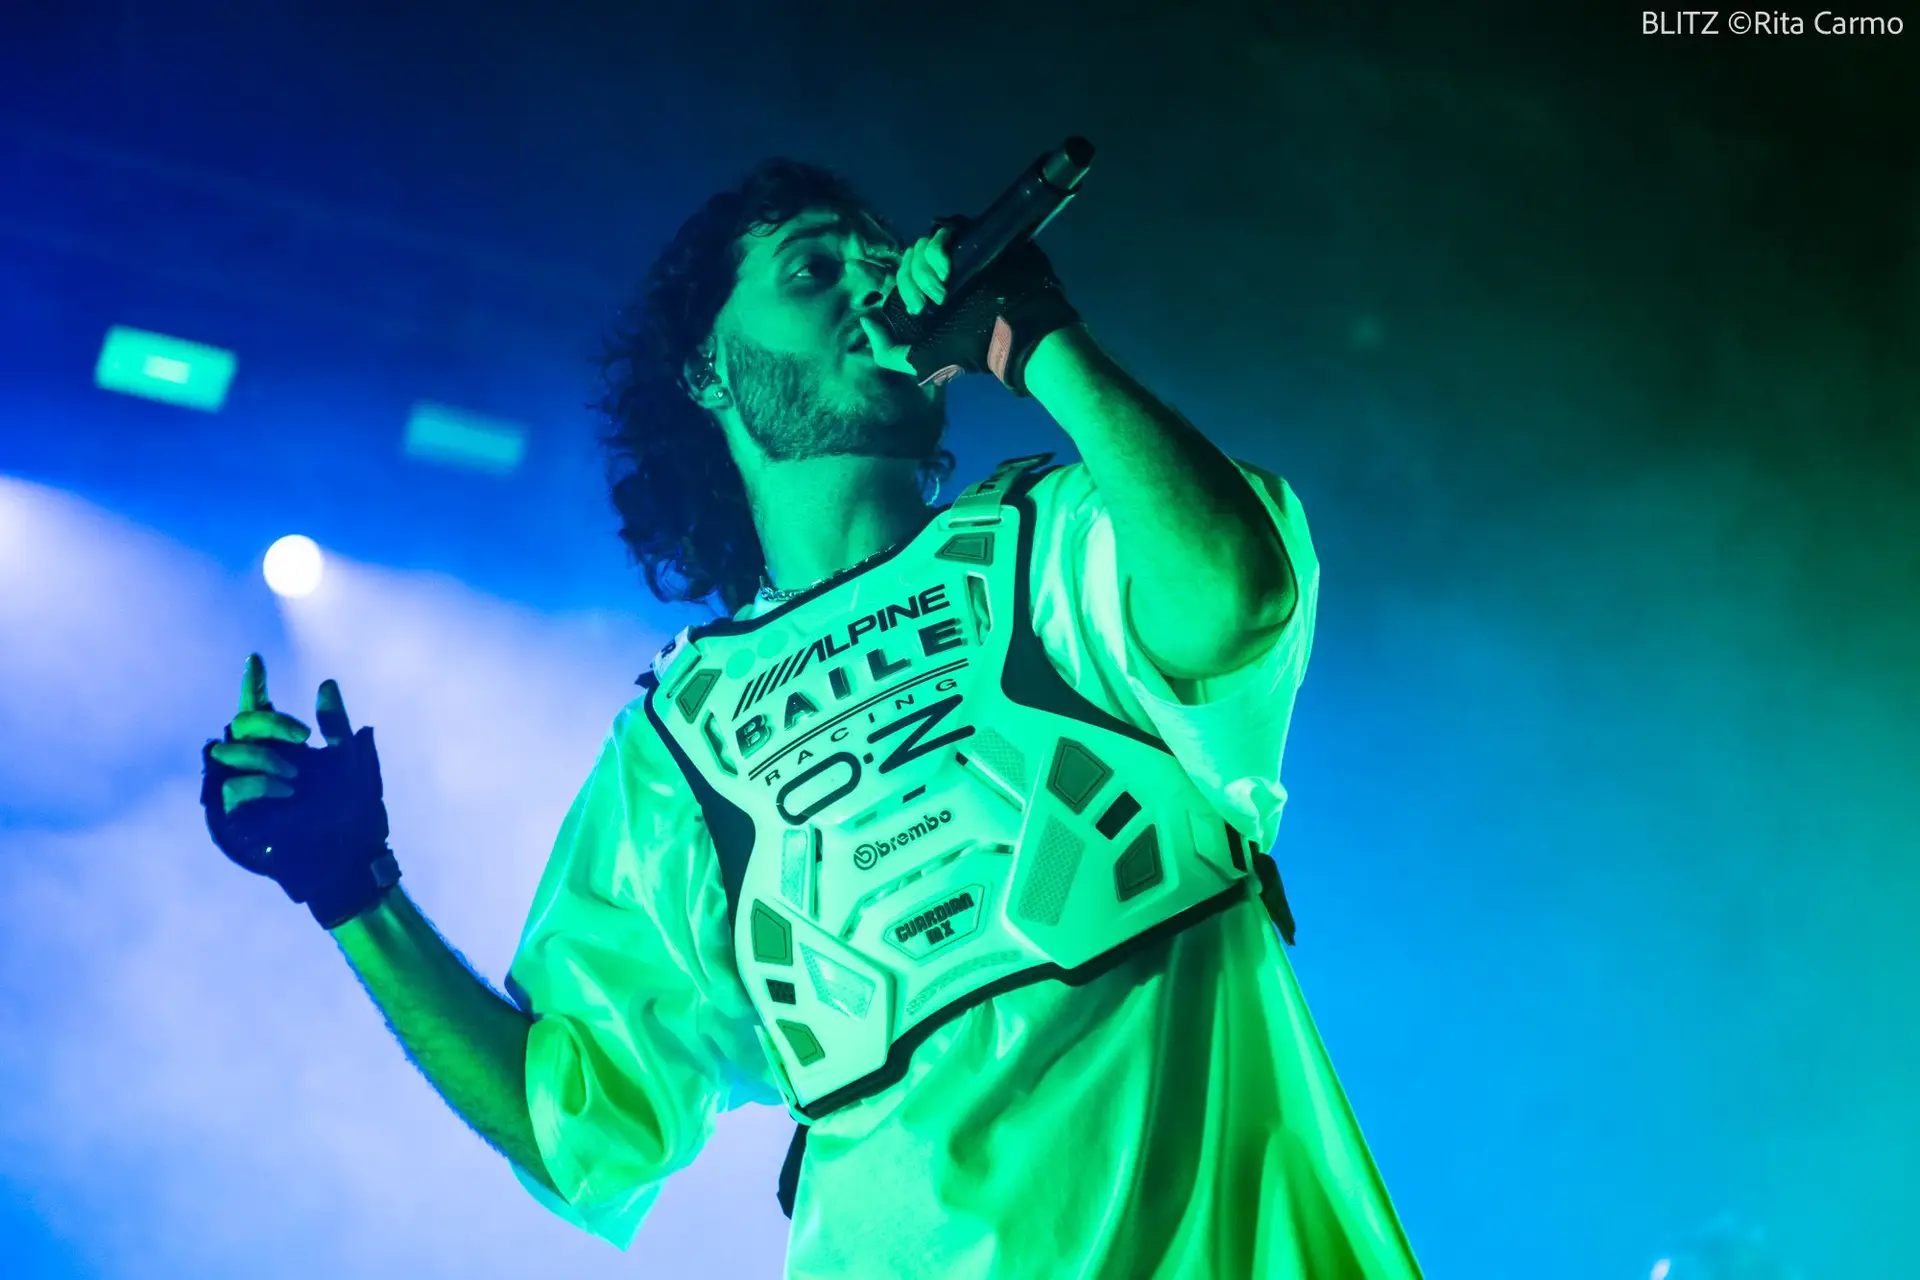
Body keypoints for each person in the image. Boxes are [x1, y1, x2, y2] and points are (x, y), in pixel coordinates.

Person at [201, 157, 1424, 1279]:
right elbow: (576, 1120)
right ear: (707, 368)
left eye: (880, 258)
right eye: (811, 267)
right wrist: (353, 890)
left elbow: (1237, 595)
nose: (869, 286)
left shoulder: (1064, 544)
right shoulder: (678, 739)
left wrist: (1034, 335)